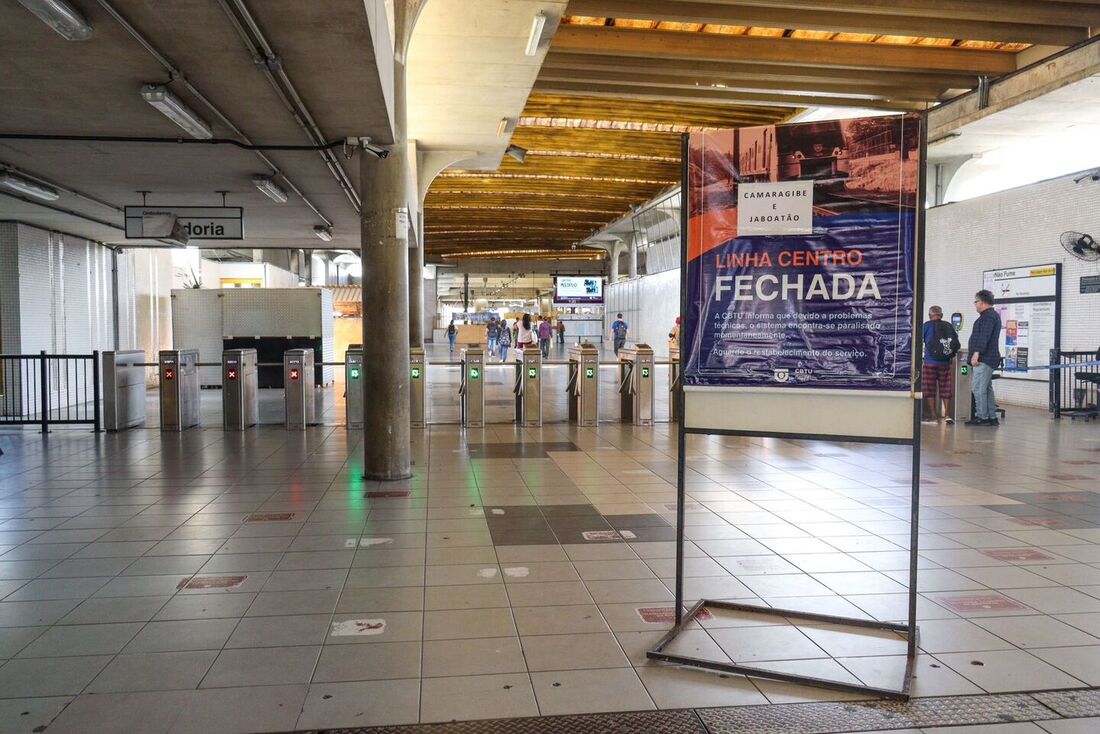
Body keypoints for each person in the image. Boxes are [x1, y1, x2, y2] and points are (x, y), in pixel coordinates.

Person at [967, 289, 1002, 426]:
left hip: (984, 358)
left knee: (978, 389)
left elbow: (984, 337)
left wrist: (976, 353)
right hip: (988, 357)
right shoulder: (990, 316)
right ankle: (991, 417)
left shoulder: (988, 317)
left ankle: (983, 417)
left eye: (976, 302)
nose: (975, 305)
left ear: (982, 302)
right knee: (986, 388)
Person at [921, 305, 960, 424]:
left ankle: (933, 416)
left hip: (930, 363)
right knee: (945, 389)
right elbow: (956, 342)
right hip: (945, 363)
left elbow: (918, 340)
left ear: (929, 315)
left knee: (929, 389)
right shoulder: (948, 325)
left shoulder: (926, 326)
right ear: (941, 315)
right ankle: (947, 415)